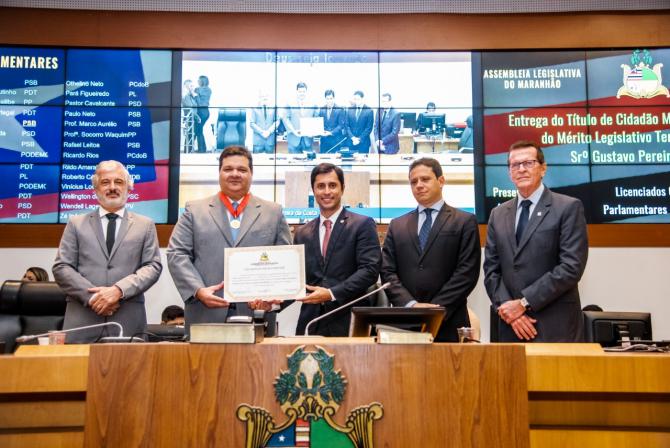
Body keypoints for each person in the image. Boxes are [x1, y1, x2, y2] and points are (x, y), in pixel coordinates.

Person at [167, 146, 292, 334]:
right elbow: (177, 254)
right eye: (228, 169)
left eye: (242, 170)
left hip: (256, 315)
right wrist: (198, 290)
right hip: (205, 314)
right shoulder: (194, 210)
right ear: (219, 173)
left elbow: (285, 260)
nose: (235, 174)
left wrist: (271, 296)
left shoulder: (273, 212)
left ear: (251, 174)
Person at [484, 140, 588, 342]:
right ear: (509, 172)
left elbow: (571, 267)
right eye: (515, 165)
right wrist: (510, 311)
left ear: (543, 168)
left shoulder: (568, 207)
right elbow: (491, 270)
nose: (521, 169)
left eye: (528, 163)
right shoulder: (498, 214)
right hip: (510, 327)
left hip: (554, 326)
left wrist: (523, 303)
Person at [52, 161, 162, 343]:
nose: (112, 187)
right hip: (82, 322)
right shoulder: (76, 223)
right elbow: (61, 267)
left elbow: (153, 267)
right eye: (105, 182)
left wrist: (119, 290)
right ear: (95, 189)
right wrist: (95, 298)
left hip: (127, 324)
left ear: (129, 188)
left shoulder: (146, 225)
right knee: (78, 372)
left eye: (119, 182)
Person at [381, 157, 480, 342]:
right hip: (405, 323)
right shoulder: (397, 225)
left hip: (449, 321)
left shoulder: (464, 221)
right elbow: (387, 272)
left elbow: (467, 272)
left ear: (441, 181)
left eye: (425, 179)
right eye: (413, 182)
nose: (419, 185)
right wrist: (410, 305)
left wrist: (436, 308)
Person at [285, 163, 380, 336]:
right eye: (320, 186)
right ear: (313, 190)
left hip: (350, 320)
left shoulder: (362, 224)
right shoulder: (302, 233)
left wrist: (331, 293)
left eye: (332, 185)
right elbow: (297, 281)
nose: (327, 191)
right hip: (311, 323)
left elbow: (370, 270)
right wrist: (274, 302)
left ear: (342, 188)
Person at [282, 82, 318, 153]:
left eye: (303, 91)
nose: (302, 93)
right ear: (297, 91)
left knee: (309, 163)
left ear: (306, 91)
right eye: (300, 91)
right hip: (293, 138)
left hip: (308, 139)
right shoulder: (289, 103)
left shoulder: (313, 104)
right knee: (293, 163)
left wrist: (313, 131)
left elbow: (316, 118)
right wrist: (293, 131)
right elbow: (285, 118)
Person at [194, 75, 212, 153]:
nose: (197, 81)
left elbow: (200, 103)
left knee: (198, 130)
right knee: (199, 130)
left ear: (202, 81)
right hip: (205, 112)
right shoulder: (208, 90)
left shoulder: (201, 90)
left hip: (202, 111)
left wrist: (195, 94)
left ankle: (201, 149)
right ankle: (202, 149)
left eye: (198, 80)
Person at [181, 79, 199, 153]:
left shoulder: (190, 96)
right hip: (189, 118)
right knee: (189, 136)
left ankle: (188, 151)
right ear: (187, 86)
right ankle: (187, 152)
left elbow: (194, 106)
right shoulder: (186, 96)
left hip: (192, 117)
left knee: (191, 136)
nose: (193, 87)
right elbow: (190, 108)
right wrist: (197, 117)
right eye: (191, 86)